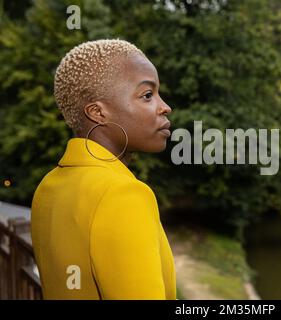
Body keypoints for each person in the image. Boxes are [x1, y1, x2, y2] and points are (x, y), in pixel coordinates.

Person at [31, 39, 176, 299]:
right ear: (98, 112)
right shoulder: (122, 195)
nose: (165, 107)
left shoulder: (48, 187)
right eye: (147, 95)